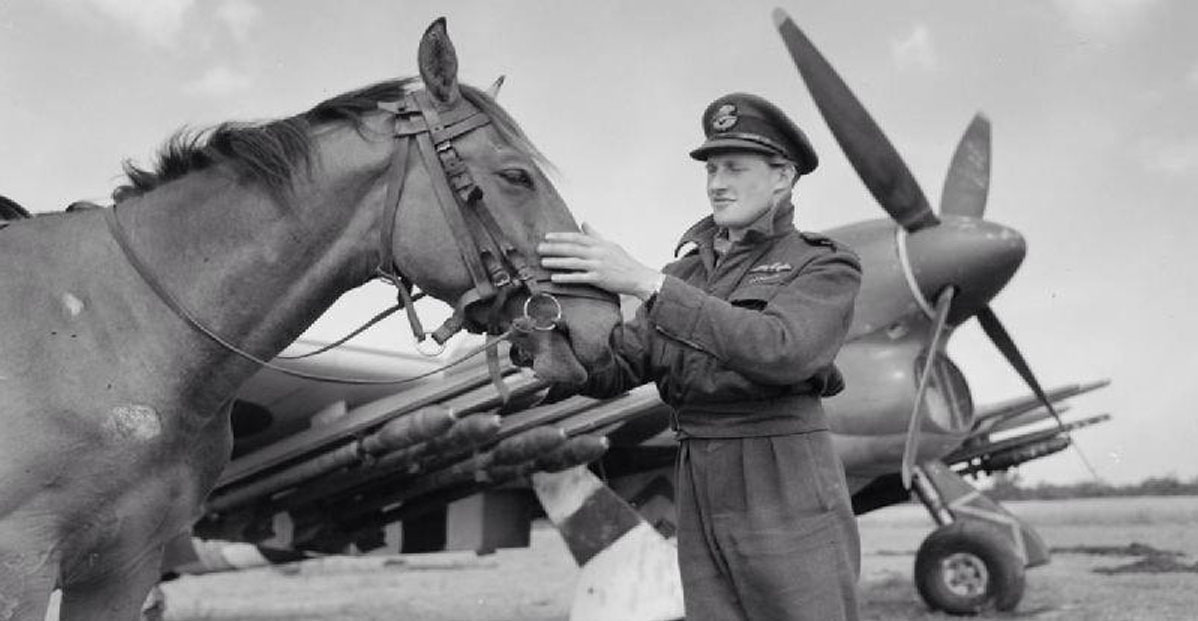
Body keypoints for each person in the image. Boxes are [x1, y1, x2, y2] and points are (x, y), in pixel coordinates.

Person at [532, 92, 863, 620]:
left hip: (783, 474)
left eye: (734, 167)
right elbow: (619, 366)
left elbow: (783, 350)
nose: (716, 183)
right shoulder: (687, 274)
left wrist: (645, 283)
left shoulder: (823, 265)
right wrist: (542, 333)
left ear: (783, 176)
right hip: (700, 472)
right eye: (711, 169)